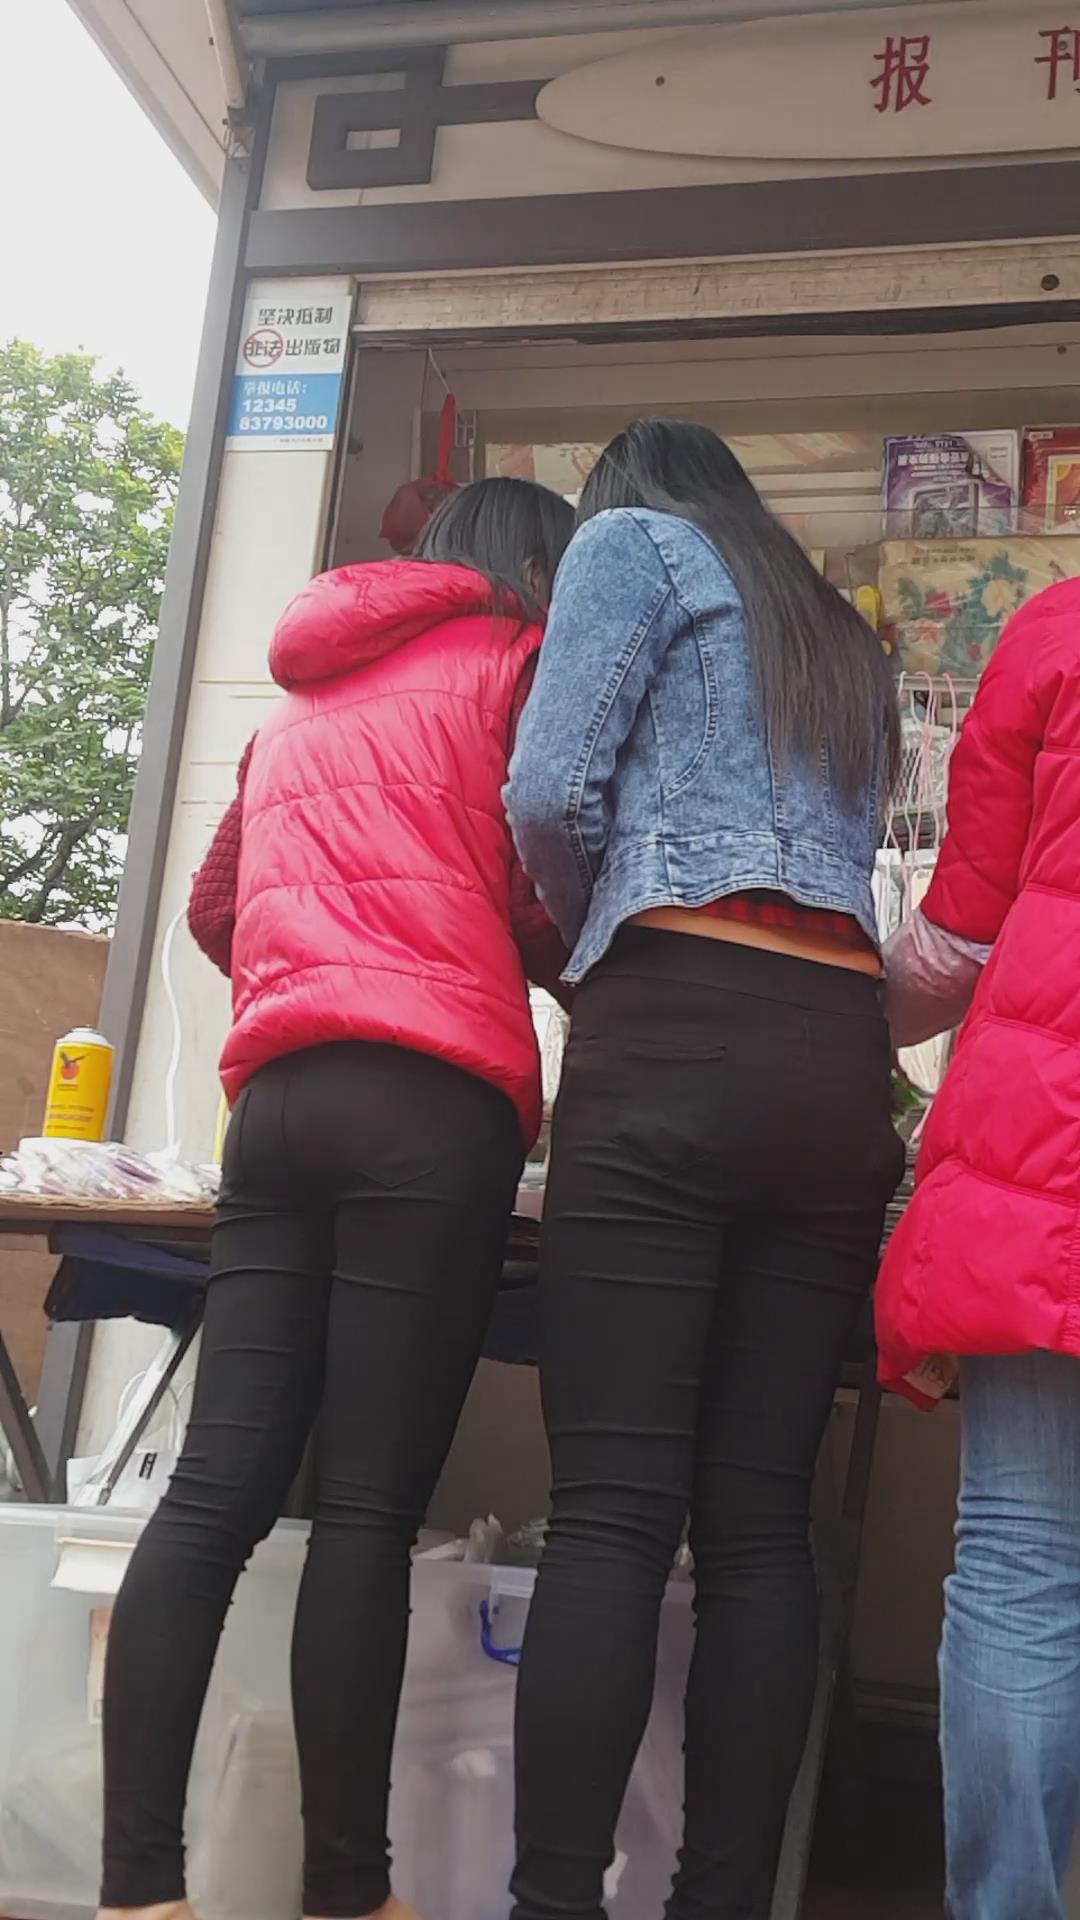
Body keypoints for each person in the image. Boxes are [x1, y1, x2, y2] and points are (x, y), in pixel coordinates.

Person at [96, 478, 574, 1920]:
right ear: (532, 568)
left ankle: (136, 1892)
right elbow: (551, 890)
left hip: (279, 1107)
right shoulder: (517, 666)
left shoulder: (301, 697)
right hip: (431, 1108)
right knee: (364, 1514)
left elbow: (214, 906)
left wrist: (317, 961)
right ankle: (348, 1895)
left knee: (214, 1491)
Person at [504, 417, 904, 1920]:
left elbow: (548, 793)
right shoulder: (834, 631)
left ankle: (556, 1903)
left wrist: (591, 943)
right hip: (836, 1050)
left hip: (673, 1018)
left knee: (613, 1509)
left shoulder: (630, 546)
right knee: (760, 1521)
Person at [875, 579, 1080, 1920]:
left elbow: (957, 932)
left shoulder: (1059, 629)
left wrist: (845, 1021)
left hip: (1049, 1137)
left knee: (1024, 1555)